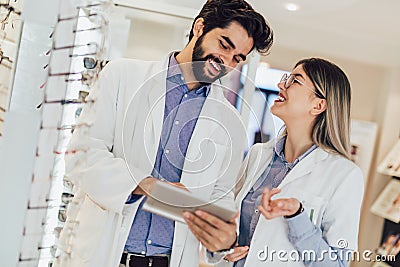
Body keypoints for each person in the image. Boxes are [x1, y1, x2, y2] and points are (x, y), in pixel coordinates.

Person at [55, 1, 273, 267]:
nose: (226, 61)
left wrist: (223, 240)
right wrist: (145, 185)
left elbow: (220, 197)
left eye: (237, 58)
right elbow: (81, 156)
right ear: (199, 27)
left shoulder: (231, 122)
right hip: (104, 253)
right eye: (224, 45)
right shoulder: (122, 75)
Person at [184, 58, 364, 266]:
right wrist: (226, 247)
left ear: (318, 105)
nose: (281, 85)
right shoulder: (258, 155)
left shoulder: (345, 175)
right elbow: (231, 227)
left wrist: (297, 216)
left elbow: (337, 263)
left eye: (295, 81)